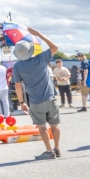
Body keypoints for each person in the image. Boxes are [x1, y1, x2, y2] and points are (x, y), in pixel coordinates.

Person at [12, 30, 62, 159]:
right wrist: (38, 34)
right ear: (30, 50)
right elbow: (54, 47)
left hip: (35, 100)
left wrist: (22, 102)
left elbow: (18, 86)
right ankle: (57, 148)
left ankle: (49, 150)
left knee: (41, 126)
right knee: (54, 125)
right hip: (50, 97)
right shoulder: (41, 58)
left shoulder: (17, 66)